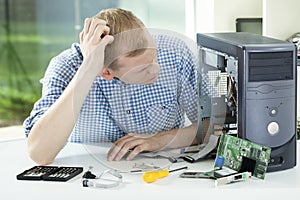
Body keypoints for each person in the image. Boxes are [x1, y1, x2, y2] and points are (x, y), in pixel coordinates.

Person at [23, 8, 199, 165]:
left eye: (155, 56)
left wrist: (160, 140)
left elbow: (215, 127)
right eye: (143, 68)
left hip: (162, 174)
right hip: (91, 175)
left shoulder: (176, 53)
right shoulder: (66, 66)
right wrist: (88, 69)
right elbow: (40, 154)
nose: (156, 68)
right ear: (106, 73)